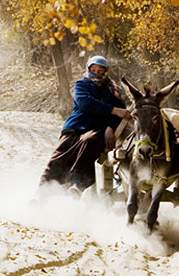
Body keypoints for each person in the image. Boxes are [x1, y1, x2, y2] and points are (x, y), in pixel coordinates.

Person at [39, 55, 131, 193]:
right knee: (60, 153)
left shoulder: (113, 90)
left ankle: (78, 184)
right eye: (93, 69)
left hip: (98, 128)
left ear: (106, 72)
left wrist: (110, 128)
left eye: (101, 70)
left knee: (89, 142)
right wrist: (113, 110)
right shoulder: (81, 84)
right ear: (88, 69)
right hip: (76, 126)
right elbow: (85, 103)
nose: (97, 73)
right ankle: (43, 192)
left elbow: (121, 113)